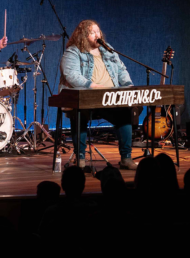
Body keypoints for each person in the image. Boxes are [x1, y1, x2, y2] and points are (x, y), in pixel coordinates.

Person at [59, 19, 139, 170]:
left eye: (98, 31)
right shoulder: (73, 52)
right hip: (86, 97)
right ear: (83, 36)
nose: (97, 35)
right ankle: (80, 158)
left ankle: (126, 158)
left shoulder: (108, 49)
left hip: (109, 98)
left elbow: (121, 69)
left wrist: (129, 86)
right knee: (79, 114)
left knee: (124, 113)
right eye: (92, 32)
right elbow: (71, 75)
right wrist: (92, 86)